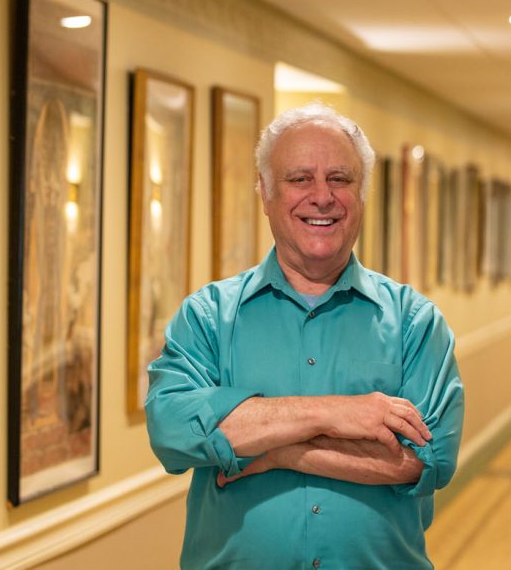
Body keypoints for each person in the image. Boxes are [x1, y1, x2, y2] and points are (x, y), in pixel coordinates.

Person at [146, 103, 464, 569]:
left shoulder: (415, 322)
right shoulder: (209, 316)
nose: (322, 197)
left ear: (361, 193)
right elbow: (173, 428)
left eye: (340, 179)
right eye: (299, 179)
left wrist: (279, 451)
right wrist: (339, 413)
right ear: (265, 192)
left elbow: (427, 457)